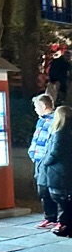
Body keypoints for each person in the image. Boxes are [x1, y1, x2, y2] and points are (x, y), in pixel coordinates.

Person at [40, 105, 72, 238]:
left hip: (59, 172)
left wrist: (45, 161)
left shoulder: (60, 132)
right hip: (66, 171)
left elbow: (55, 151)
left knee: (60, 198)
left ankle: (65, 225)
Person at [30, 94, 58, 229]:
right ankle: (49, 217)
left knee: (51, 190)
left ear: (44, 106)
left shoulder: (55, 120)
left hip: (47, 161)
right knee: (42, 189)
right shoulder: (41, 121)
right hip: (38, 160)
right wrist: (32, 153)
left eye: (37, 106)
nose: (35, 110)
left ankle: (56, 218)